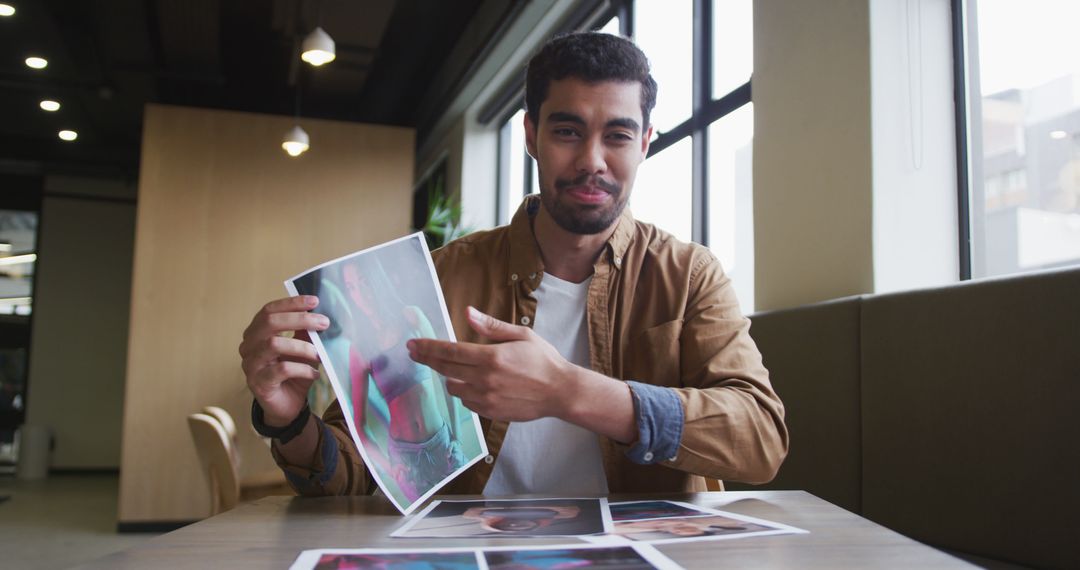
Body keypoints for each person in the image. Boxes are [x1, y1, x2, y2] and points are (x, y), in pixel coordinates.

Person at [239, 31, 787, 498]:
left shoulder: (689, 275)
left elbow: (760, 439)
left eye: (618, 136)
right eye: (567, 132)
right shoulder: (442, 275)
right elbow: (355, 475)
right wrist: (289, 421)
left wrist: (570, 392)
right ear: (531, 136)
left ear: (644, 143)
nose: (593, 160)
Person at [339, 256, 465, 501]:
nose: (360, 293)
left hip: (443, 444)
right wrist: (389, 468)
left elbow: (446, 378)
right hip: (406, 462)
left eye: (364, 281)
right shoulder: (360, 349)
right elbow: (359, 425)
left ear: (376, 280)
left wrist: (456, 439)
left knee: (465, 516)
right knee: (423, 531)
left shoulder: (412, 317)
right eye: (351, 287)